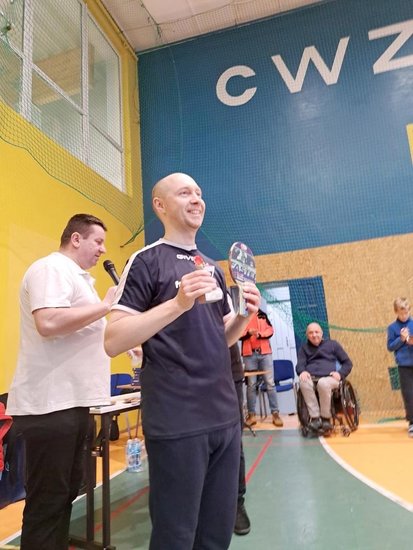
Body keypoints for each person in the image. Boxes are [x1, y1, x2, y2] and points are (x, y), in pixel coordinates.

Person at [104, 172, 260, 550]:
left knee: (215, 535)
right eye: (184, 193)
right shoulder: (145, 261)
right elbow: (113, 340)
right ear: (160, 205)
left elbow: (221, 337)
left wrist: (244, 316)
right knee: (175, 536)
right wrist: (177, 304)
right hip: (177, 421)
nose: (196, 199)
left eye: (199, 193)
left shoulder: (211, 267)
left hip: (224, 418)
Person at [6, 213, 116, 550]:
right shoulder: (51, 268)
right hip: (50, 405)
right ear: (76, 239)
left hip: (74, 403)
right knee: (48, 500)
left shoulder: (80, 280)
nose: (103, 249)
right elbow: (49, 322)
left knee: (66, 493)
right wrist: (106, 306)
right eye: (98, 241)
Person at [296, 322, 353, 434]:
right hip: (312, 378)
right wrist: (302, 371)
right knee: (303, 382)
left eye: (316, 332)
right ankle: (315, 418)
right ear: (307, 335)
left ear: (322, 333)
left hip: (330, 378)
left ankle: (326, 418)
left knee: (323, 383)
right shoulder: (304, 348)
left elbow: (347, 363)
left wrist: (340, 374)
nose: (314, 335)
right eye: (311, 333)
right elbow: (300, 365)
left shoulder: (333, 345)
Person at [240, 309, 283, 428]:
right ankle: (251, 415)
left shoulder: (262, 315)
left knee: (270, 383)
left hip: (265, 354)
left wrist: (260, 334)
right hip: (249, 355)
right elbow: (237, 334)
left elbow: (270, 330)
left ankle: (275, 414)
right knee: (251, 385)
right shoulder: (242, 315)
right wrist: (248, 333)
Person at [387, 297, 413, 437]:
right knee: (409, 395)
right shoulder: (392, 328)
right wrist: (401, 339)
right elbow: (390, 347)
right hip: (404, 366)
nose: (404, 316)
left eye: (406, 313)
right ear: (396, 312)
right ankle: (412, 422)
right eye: (401, 313)